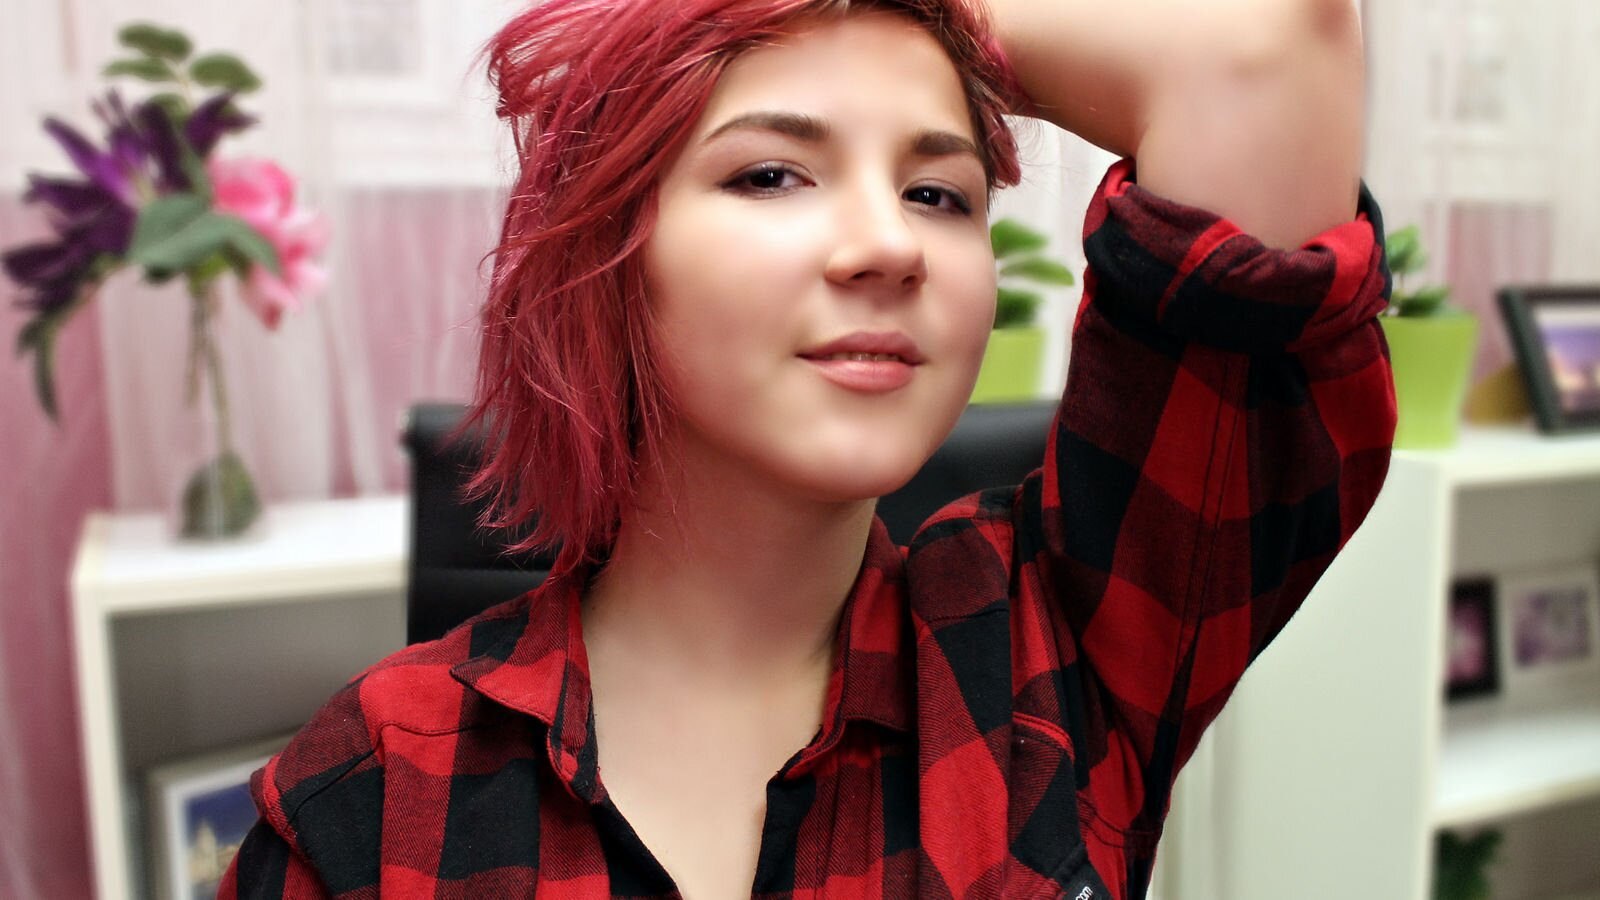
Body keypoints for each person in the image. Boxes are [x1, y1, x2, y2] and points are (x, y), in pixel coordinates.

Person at [222, 0, 1393, 897]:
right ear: (607, 258)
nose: (890, 245)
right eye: (771, 173)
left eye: (938, 193)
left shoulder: (1053, 656)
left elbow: (1267, 42)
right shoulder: (373, 790)